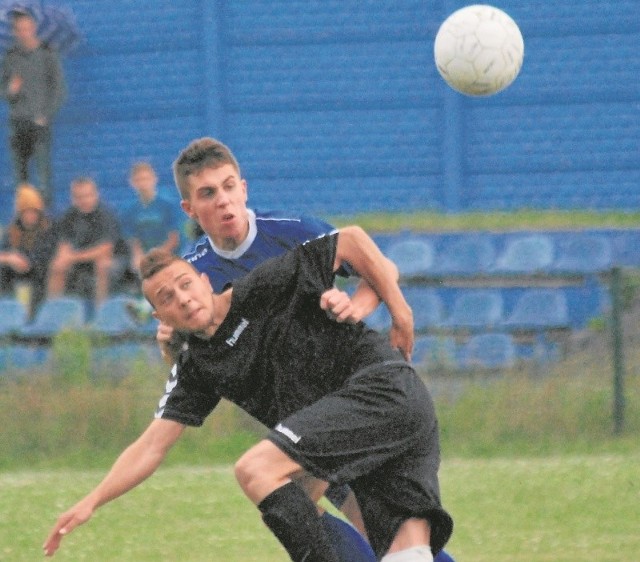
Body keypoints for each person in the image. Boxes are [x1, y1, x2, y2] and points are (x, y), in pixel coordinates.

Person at [43, 227, 454, 561]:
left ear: (204, 281)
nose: (183, 299)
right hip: (343, 435)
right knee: (400, 550)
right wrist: (92, 501)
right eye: (167, 298)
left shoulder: (260, 288)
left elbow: (351, 239)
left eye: (185, 285)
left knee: (259, 471)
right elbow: (152, 445)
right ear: (159, 317)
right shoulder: (197, 366)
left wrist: (400, 313)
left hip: (379, 391)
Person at [162, 137, 456, 562]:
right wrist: (172, 346)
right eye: (208, 193)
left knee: (377, 526)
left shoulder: (290, 230)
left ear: (243, 187)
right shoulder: (190, 275)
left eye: (229, 187)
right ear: (189, 208)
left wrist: (358, 305)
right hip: (298, 417)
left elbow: (380, 266)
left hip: (349, 397)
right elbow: (198, 364)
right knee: (331, 516)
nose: (223, 200)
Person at [0, 7, 66, 207]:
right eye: (19, 29)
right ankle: (24, 222)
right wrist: (10, 90)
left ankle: (46, 222)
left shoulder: (47, 54)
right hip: (17, 122)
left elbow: (59, 90)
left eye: (27, 28)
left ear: (34, 28)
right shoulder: (10, 57)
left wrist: (45, 115)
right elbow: (2, 90)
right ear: (14, 32)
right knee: (21, 179)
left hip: (39, 125)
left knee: (44, 176)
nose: (24, 33)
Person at [47, 177, 128, 308]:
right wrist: (63, 258)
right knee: (57, 265)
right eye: (79, 197)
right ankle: (54, 311)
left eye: (87, 195)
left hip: (114, 260)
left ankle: (101, 313)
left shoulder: (106, 215)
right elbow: (64, 245)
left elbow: (105, 250)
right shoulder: (69, 216)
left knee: (103, 265)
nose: (84, 200)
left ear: (96, 194)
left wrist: (72, 257)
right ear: (73, 198)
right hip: (81, 259)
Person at [0, 183, 56, 319]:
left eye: (34, 211)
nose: (31, 216)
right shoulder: (12, 231)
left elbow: (40, 258)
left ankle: (33, 319)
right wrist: (9, 258)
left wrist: (19, 260)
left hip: (40, 275)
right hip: (14, 274)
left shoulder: (48, 230)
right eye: (27, 212)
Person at [121, 161, 181, 274]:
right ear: (132, 183)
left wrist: (158, 256)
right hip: (145, 256)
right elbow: (132, 239)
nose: (143, 183)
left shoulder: (169, 204)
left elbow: (174, 237)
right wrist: (138, 256)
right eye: (139, 180)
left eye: (146, 179)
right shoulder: (129, 209)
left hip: (169, 253)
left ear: (154, 179)